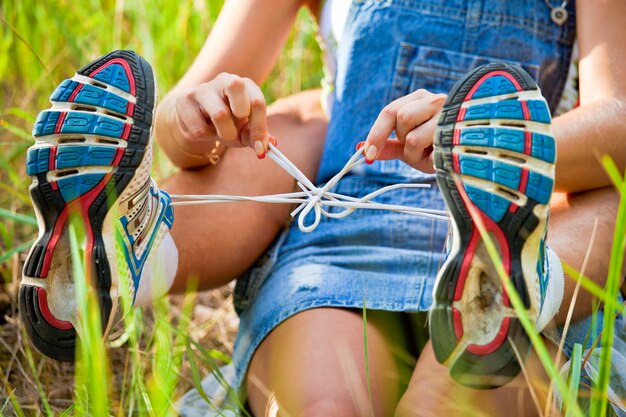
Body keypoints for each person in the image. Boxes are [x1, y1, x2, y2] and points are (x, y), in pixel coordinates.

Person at [19, 0, 626, 416]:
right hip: (343, 234)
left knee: (606, 199)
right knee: (324, 407)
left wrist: (476, 138)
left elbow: (617, 121)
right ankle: (126, 246)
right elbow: (180, 119)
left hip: (522, 234)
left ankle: (519, 288)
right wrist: (197, 113)